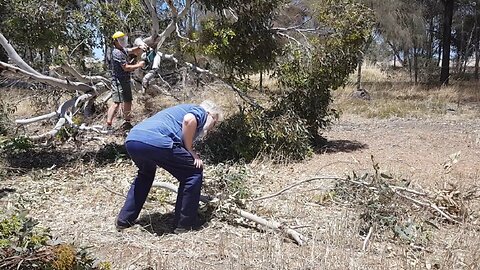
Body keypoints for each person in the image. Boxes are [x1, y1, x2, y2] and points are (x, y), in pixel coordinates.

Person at [116, 100, 222, 233]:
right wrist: (190, 151)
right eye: (215, 122)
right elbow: (189, 120)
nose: (213, 126)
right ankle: (185, 224)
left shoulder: (179, 110)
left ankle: (124, 220)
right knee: (193, 172)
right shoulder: (200, 111)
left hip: (133, 139)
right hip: (155, 140)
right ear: (211, 114)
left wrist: (187, 151)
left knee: (145, 174)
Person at [106, 31, 146, 131]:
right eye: (121, 40)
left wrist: (140, 47)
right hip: (118, 81)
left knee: (128, 101)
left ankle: (127, 123)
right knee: (116, 103)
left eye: (124, 39)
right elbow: (126, 68)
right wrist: (139, 65)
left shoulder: (123, 50)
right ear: (115, 41)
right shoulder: (116, 53)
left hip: (126, 80)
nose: (123, 41)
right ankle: (108, 124)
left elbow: (132, 50)